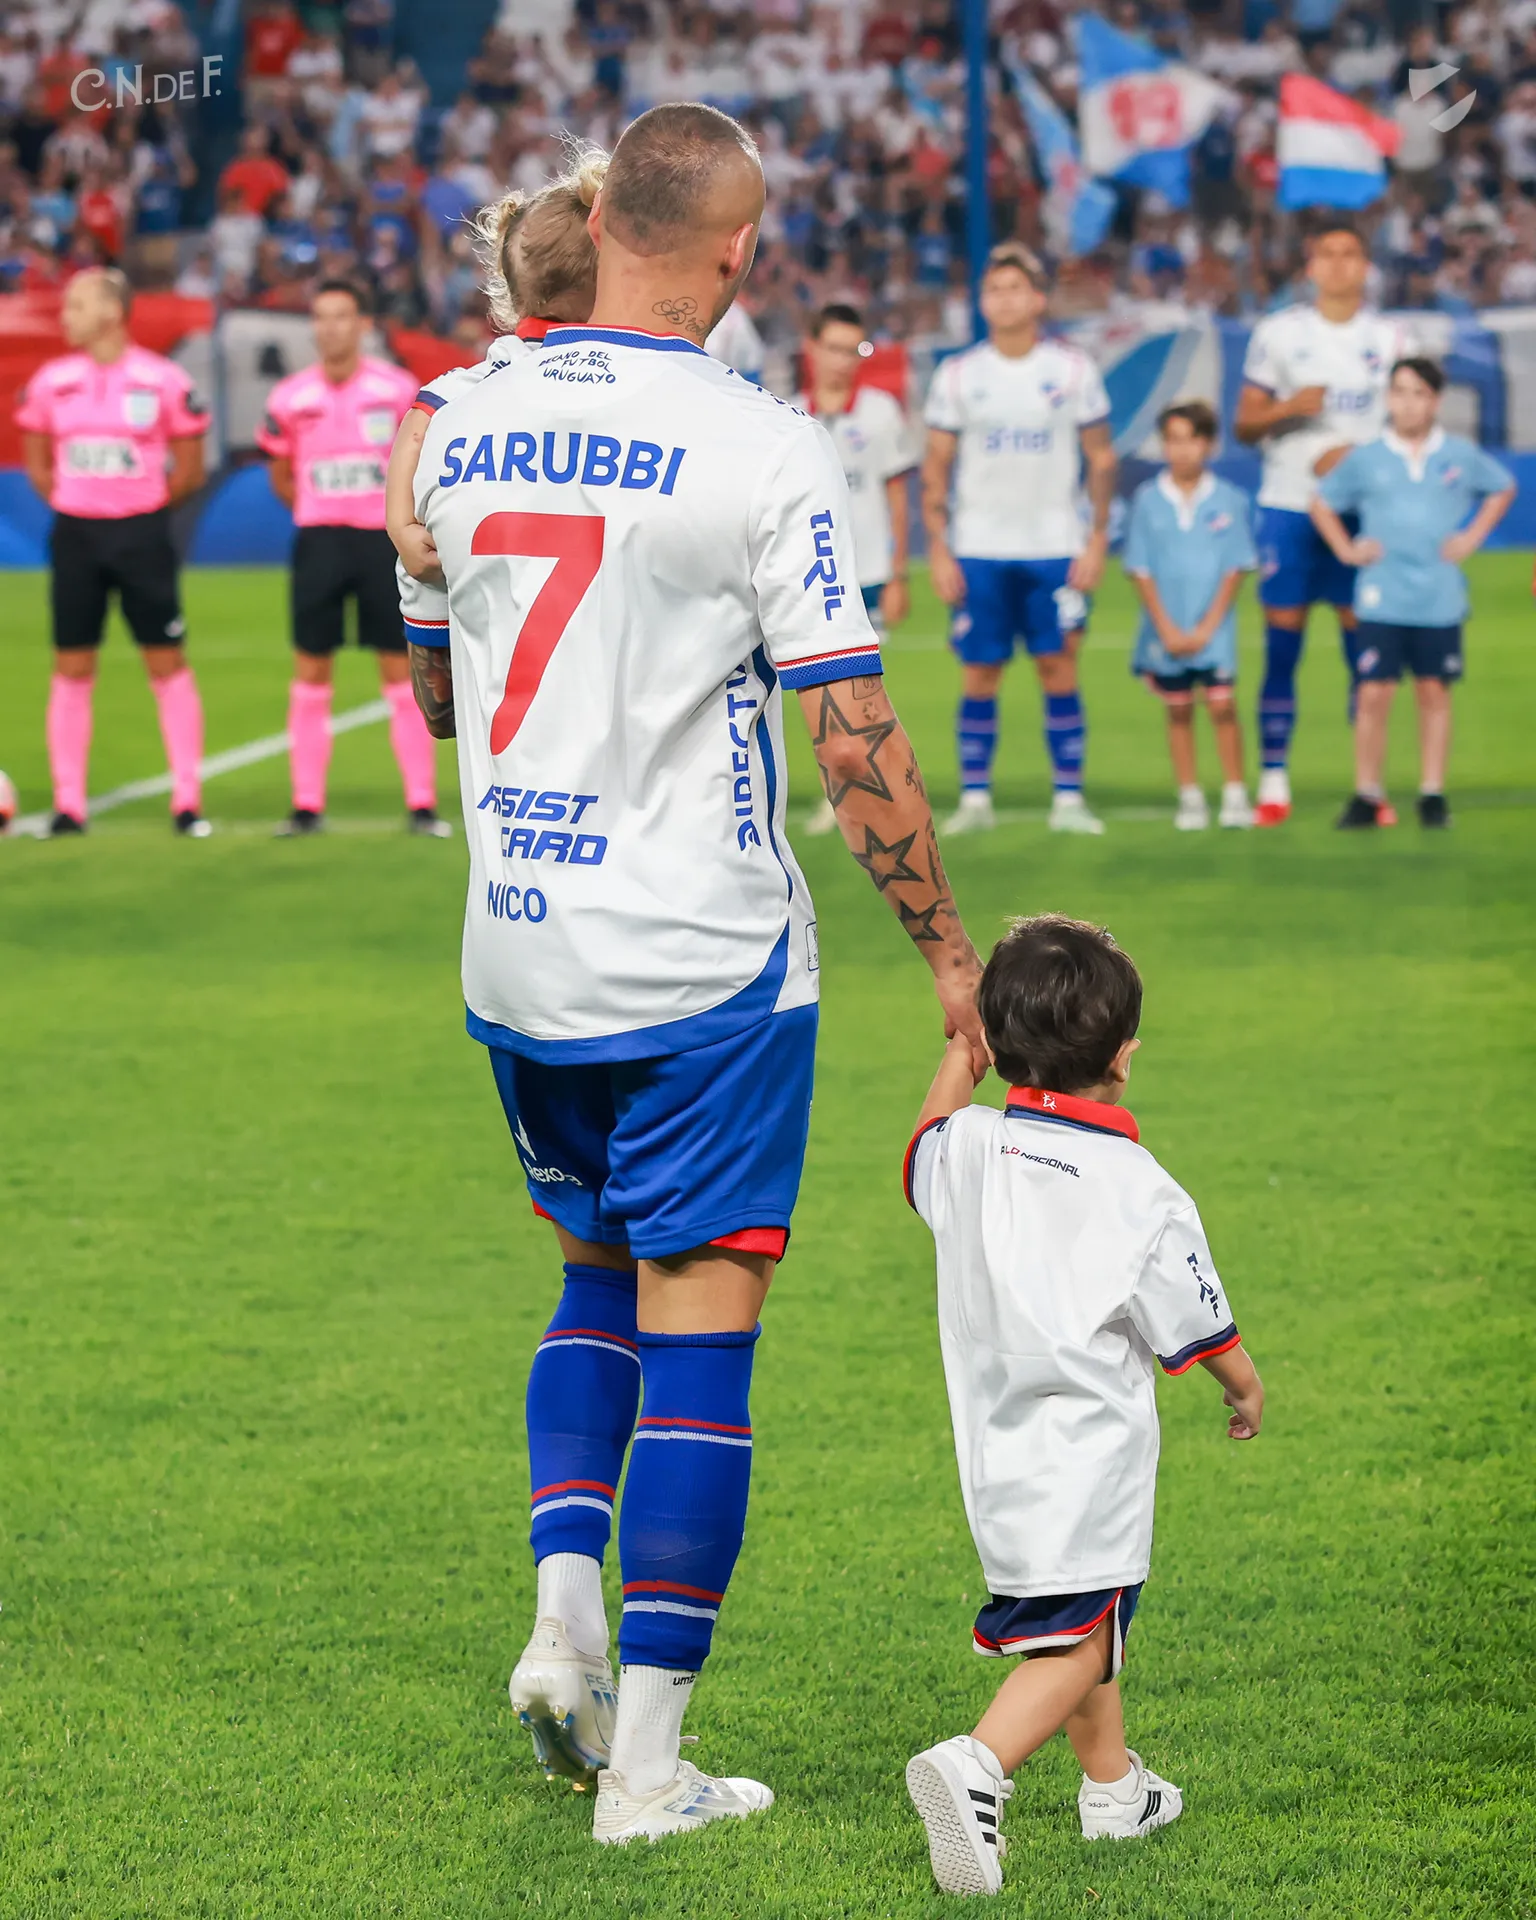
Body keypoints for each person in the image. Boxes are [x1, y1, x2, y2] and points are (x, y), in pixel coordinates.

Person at [414, 101, 985, 1845]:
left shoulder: (453, 417)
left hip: (520, 946)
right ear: (739, 251)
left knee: (590, 1281)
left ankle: (562, 1621)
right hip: (702, 962)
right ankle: (648, 1773)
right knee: (703, 1343)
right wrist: (951, 957)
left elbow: (439, 687)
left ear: (599, 218)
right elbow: (851, 729)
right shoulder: (762, 442)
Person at [901, 916, 1265, 1897]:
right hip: (1090, 1457)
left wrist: (960, 1059)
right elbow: (1200, 1327)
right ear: (1123, 1055)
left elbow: (926, 1146)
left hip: (995, 1455)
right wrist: (1245, 1389)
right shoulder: (1141, 1189)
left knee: (1079, 1622)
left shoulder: (971, 1148)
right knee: (1086, 1638)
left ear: (998, 1042)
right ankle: (976, 1764)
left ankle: (1113, 1790)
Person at [921, 242, 1118, 837]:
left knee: (1059, 668)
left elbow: (1101, 458)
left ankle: (1069, 800)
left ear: (1037, 300)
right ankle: (975, 800)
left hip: (1055, 546)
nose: (1003, 300)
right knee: (980, 672)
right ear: (982, 303)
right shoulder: (959, 376)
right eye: (993, 290)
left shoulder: (1073, 371)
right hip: (978, 548)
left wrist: (1096, 540)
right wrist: (938, 548)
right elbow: (936, 468)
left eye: (1014, 289)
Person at [386, 148, 608, 671]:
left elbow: (418, 427)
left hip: (500, 701)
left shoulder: (454, 398)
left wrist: (400, 523)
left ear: (507, 280)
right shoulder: (655, 388)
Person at [16, 266, 211, 838]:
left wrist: (140, 509)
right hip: (76, 536)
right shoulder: (52, 382)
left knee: (165, 661)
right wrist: (80, 503)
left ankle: (187, 800)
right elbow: (38, 463)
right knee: (72, 665)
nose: (65, 316)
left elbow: (190, 468)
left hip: (141, 537)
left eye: (76, 305)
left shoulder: (163, 380)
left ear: (111, 312)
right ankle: (68, 805)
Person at [1234, 218, 1413, 826]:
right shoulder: (1279, 334)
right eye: (1327, 254)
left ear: (1366, 267)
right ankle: (1273, 780)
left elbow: (1413, 422)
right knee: (1283, 645)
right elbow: (1244, 424)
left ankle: (1369, 787)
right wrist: (1288, 407)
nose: (1338, 264)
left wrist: (1360, 465)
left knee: (1366, 651)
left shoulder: (1392, 338)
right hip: (1289, 503)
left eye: (1350, 253)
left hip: (1364, 514)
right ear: (1310, 268)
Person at [257, 279, 447, 838]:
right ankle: (306, 805)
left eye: (340, 316)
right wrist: (320, 508)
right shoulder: (290, 397)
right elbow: (281, 476)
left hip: (377, 543)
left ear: (363, 324)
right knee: (311, 669)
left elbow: (415, 467)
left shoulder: (396, 391)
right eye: (320, 317)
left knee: (398, 669)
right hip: (318, 541)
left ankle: (421, 804)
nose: (329, 328)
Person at [1310, 357, 1514, 831]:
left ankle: (1432, 793)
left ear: (1435, 401)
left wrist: (1472, 537)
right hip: (1382, 594)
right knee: (1373, 693)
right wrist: (1346, 549)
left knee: (1433, 692)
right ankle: (1367, 793)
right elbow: (1321, 502)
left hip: (1438, 595)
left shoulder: (1458, 455)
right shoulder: (1368, 457)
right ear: (1388, 398)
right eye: (1399, 392)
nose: (1407, 404)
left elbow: (1503, 488)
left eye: (1418, 393)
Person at [796, 302, 918, 836]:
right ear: (812, 348)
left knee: (864, 698)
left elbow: (898, 497)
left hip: (866, 573)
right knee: (821, 698)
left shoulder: (880, 412)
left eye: (855, 350)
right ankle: (840, 796)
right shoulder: (786, 411)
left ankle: (864, 794)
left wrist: (899, 573)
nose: (844, 360)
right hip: (809, 575)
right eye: (835, 348)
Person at [1122, 401, 1258, 831]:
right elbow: (1140, 568)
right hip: (1166, 628)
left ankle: (1235, 793)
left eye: (1192, 440)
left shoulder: (1229, 499)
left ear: (1209, 444)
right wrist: (1165, 627)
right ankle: (1190, 796)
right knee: (1178, 709)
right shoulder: (1148, 500)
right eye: (1174, 440)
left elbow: (1236, 567)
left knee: (1222, 705)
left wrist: (1207, 627)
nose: (1183, 450)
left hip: (1213, 629)